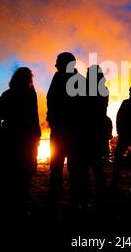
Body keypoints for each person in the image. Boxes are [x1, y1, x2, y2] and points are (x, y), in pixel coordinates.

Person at [0, 67, 41, 218]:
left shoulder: (7, 94)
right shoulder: (31, 94)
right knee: (25, 172)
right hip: (27, 137)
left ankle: (7, 205)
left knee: (8, 170)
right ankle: (21, 206)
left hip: (10, 136)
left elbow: (1, 114)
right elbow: (34, 115)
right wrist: (37, 135)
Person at [47, 52, 85, 209]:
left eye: (58, 62)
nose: (56, 65)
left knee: (73, 167)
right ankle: (58, 196)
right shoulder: (78, 80)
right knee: (57, 165)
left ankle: (75, 199)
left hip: (71, 132)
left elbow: (83, 108)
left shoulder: (79, 82)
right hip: (62, 131)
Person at [83, 65, 110, 204]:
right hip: (98, 132)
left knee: (86, 167)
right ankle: (101, 197)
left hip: (88, 132)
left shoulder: (86, 89)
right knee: (97, 166)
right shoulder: (103, 89)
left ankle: (86, 198)